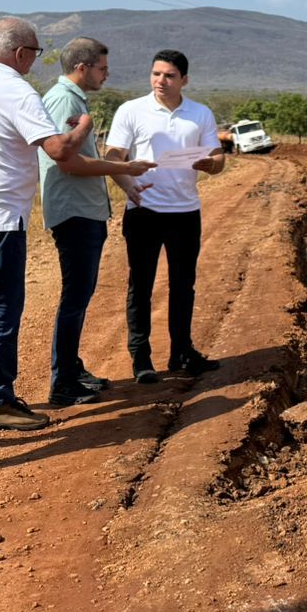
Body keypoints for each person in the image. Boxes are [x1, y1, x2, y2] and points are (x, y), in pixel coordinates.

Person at [0, 17, 90, 431]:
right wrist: (82, 127)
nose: (33, 61)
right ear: (21, 53)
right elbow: (58, 150)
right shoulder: (15, 90)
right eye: (35, 53)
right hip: (0, 216)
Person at [39, 37, 156, 406]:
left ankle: (72, 369)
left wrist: (125, 183)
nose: (107, 75)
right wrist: (124, 167)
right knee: (75, 297)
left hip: (84, 210)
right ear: (83, 67)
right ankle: (63, 384)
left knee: (81, 294)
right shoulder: (64, 100)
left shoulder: (74, 100)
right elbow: (68, 162)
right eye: (103, 68)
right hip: (74, 212)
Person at [103, 48, 225, 382]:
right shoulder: (131, 110)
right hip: (144, 211)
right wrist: (128, 186)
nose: (161, 80)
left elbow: (217, 159)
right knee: (140, 285)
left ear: (184, 79)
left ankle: (181, 353)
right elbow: (114, 154)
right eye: (156, 73)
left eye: (169, 75)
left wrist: (210, 164)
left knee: (184, 286)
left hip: (185, 212)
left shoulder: (200, 114)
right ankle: (141, 359)